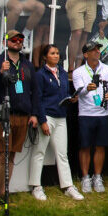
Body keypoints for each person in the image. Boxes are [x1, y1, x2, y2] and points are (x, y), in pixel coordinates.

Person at [0, 29, 40, 205]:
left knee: (11, 156)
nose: (17, 42)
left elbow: (35, 91)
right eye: (14, 39)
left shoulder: (27, 64)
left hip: (22, 115)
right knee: (1, 155)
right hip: (1, 115)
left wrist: (35, 114)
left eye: (20, 39)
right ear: (6, 42)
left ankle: (4, 192)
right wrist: (0, 72)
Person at [28, 43, 81, 201]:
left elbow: (64, 93)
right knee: (39, 152)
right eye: (52, 53)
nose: (56, 56)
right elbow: (37, 98)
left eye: (57, 53)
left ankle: (67, 185)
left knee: (62, 153)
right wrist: (42, 120)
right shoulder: (40, 75)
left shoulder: (63, 73)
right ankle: (36, 186)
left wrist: (72, 99)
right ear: (45, 57)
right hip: (47, 116)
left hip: (61, 116)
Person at [71, 41, 108, 193]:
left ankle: (97, 176)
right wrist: (86, 88)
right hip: (86, 113)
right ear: (86, 54)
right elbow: (78, 92)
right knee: (85, 146)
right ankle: (85, 177)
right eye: (93, 49)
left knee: (100, 146)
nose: (97, 51)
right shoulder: (78, 72)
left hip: (105, 113)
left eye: (98, 49)